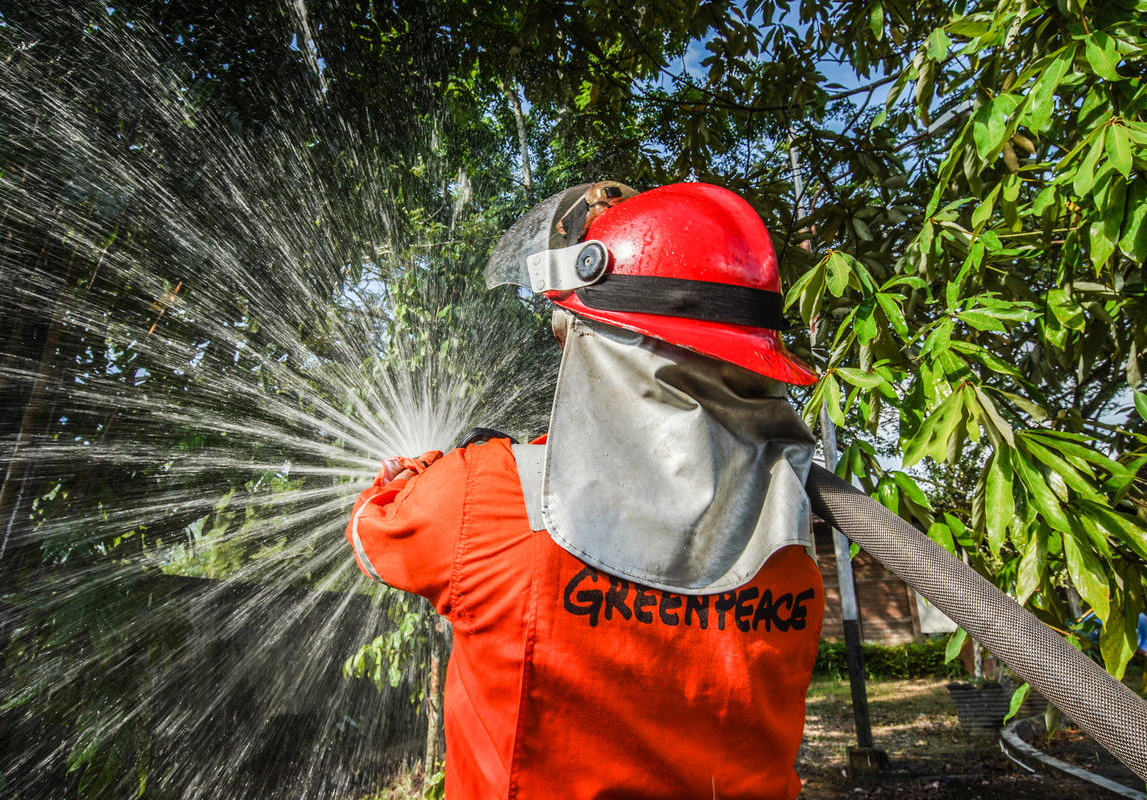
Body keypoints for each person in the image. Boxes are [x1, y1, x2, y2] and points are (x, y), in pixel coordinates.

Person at [346, 181, 824, 799]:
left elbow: (375, 529)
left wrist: (423, 472)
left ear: (591, 334)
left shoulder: (485, 494)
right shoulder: (789, 542)